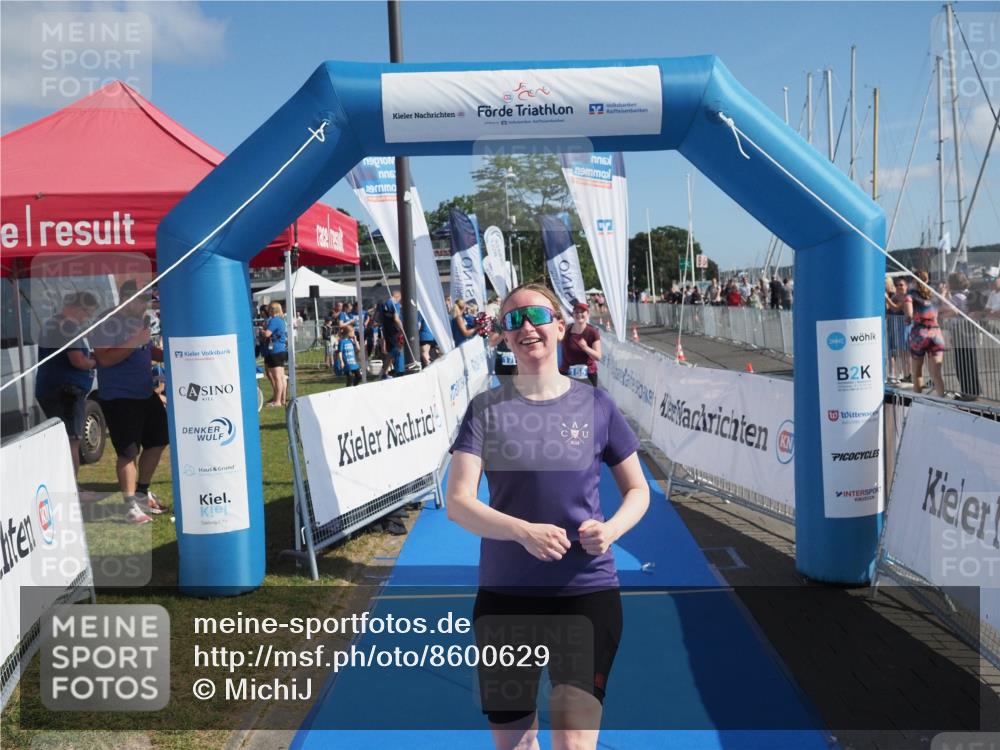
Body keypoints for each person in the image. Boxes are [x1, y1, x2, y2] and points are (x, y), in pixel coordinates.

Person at [446, 282, 649, 750]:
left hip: (586, 592)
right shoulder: (486, 410)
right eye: (512, 320)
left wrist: (612, 528)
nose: (526, 327)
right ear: (503, 337)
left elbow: (638, 490)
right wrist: (521, 532)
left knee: (575, 742)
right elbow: (458, 502)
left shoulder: (597, 404)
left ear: (560, 327)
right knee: (516, 744)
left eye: (536, 315)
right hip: (506, 596)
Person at [91, 280, 170, 523]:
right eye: (142, 300)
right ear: (127, 299)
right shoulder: (107, 321)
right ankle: (130, 507)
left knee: (158, 441)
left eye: (148, 300)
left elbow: (146, 351)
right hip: (120, 398)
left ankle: (142, 492)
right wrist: (135, 341)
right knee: (128, 452)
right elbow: (104, 358)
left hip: (145, 393)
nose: (146, 305)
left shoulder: (139, 322)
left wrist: (172, 353)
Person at [35, 291, 100, 480]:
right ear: (77, 308)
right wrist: (94, 361)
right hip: (66, 392)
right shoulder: (67, 327)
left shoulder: (53, 324)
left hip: (55, 389)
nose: (87, 318)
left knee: (66, 439)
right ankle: (73, 488)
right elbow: (78, 360)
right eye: (87, 313)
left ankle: (68, 485)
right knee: (72, 440)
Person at [904, 270, 945, 397]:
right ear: (927, 280)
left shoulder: (910, 295)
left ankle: (918, 400)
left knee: (917, 372)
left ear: (913, 281)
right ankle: (943, 400)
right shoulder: (933, 294)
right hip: (936, 334)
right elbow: (943, 308)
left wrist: (908, 319)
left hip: (919, 335)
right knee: (936, 374)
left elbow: (909, 315)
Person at [943, 272, 980, 401]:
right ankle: (973, 390)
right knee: (970, 361)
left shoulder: (957, 297)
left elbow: (947, 310)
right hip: (969, 332)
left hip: (960, 332)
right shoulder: (966, 295)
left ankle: (966, 391)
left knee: (961, 364)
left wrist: (944, 293)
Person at [561, 301, 602, 387]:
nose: (579, 314)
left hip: (588, 374)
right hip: (567, 373)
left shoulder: (592, 332)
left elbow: (598, 356)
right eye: (576, 312)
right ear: (573, 314)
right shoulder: (566, 330)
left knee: (588, 400)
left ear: (588, 314)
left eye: (582, 312)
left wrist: (585, 347)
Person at [261, 302, 288, 407]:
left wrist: (262, 331)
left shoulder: (274, 320)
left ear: (273, 310)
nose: (268, 311)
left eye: (270, 309)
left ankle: (277, 401)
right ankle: (282, 400)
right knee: (281, 377)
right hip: (281, 350)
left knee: (277, 378)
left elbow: (267, 334)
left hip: (275, 351)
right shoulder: (281, 320)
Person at [885, 276, 909, 384]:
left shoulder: (906, 297)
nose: (899, 287)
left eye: (901, 285)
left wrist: (887, 299)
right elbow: (889, 308)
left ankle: (908, 374)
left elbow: (896, 308)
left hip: (905, 327)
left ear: (906, 286)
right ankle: (901, 374)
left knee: (905, 353)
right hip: (895, 326)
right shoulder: (895, 296)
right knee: (898, 351)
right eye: (897, 285)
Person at [379, 288, 405, 377]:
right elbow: (396, 319)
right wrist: (402, 329)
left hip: (387, 332)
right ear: (398, 296)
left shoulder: (384, 304)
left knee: (390, 353)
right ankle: (399, 371)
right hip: (394, 332)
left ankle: (383, 373)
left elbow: (379, 318)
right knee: (398, 350)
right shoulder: (395, 304)